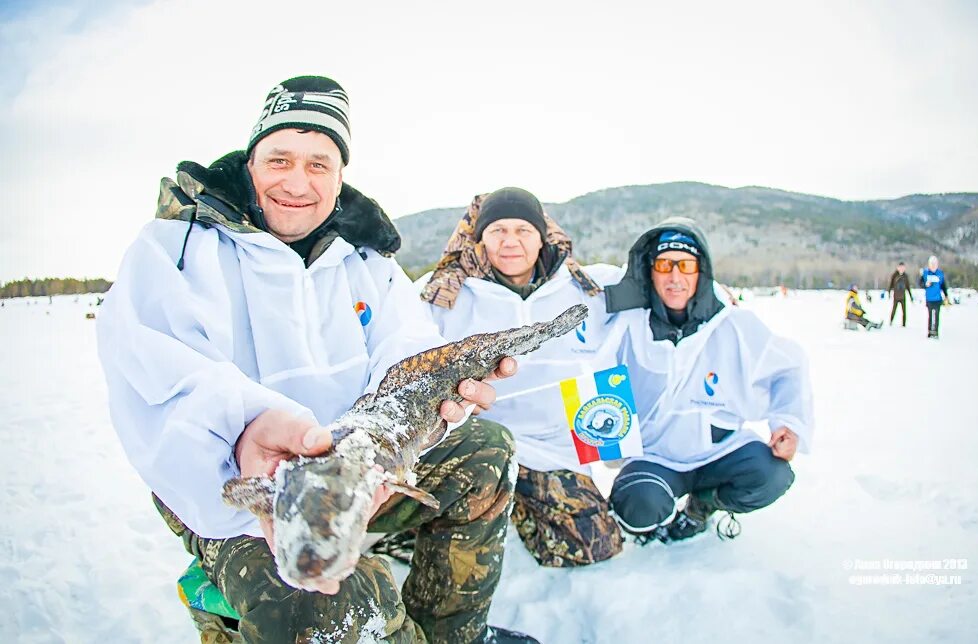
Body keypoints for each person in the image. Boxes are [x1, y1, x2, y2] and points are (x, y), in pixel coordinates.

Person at [97, 76, 537, 644]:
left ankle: (453, 633)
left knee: (484, 451)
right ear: (251, 161)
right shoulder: (175, 250)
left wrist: (421, 404)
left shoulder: (366, 261)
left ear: (339, 176)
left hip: (360, 472)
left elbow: (404, 349)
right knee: (338, 611)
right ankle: (223, 598)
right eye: (279, 159)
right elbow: (159, 377)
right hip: (238, 491)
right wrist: (245, 429)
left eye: (318, 164)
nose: (297, 183)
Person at [418, 187, 626, 568]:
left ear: (542, 236)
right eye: (498, 230)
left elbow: (663, 280)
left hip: (554, 453)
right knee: (437, 549)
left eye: (522, 231)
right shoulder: (444, 294)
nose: (510, 242)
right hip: (476, 451)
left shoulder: (589, 288)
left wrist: (714, 291)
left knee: (595, 547)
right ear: (480, 238)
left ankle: (519, 512)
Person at [603, 218, 813, 543]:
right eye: (664, 264)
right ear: (650, 270)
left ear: (700, 271)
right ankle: (651, 521)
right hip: (656, 456)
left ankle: (702, 505)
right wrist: (609, 447)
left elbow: (787, 366)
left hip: (718, 452)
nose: (675, 277)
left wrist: (787, 422)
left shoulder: (733, 324)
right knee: (636, 503)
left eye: (685, 265)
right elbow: (593, 370)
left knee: (771, 475)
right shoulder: (628, 326)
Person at [920, 255, 950, 339]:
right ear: (929, 264)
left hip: (937, 299)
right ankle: (930, 331)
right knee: (930, 316)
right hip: (929, 299)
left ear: (937, 264)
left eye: (935, 264)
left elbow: (943, 285)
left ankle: (935, 331)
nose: (933, 265)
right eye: (931, 264)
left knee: (936, 316)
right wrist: (925, 285)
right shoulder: (925, 273)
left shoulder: (940, 273)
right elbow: (920, 284)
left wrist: (946, 295)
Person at [887, 262, 914, 327]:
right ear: (898, 268)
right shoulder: (894, 275)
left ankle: (904, 324)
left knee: (904, 311)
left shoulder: (905, 276)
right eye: (900, 267)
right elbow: (890, 285)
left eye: (903, 268)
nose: (901, 269)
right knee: (894, 310)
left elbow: (908, 287)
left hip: (903, 296)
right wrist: (889, 293)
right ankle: (891, 321)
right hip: (896, 296)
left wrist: (911, 296)